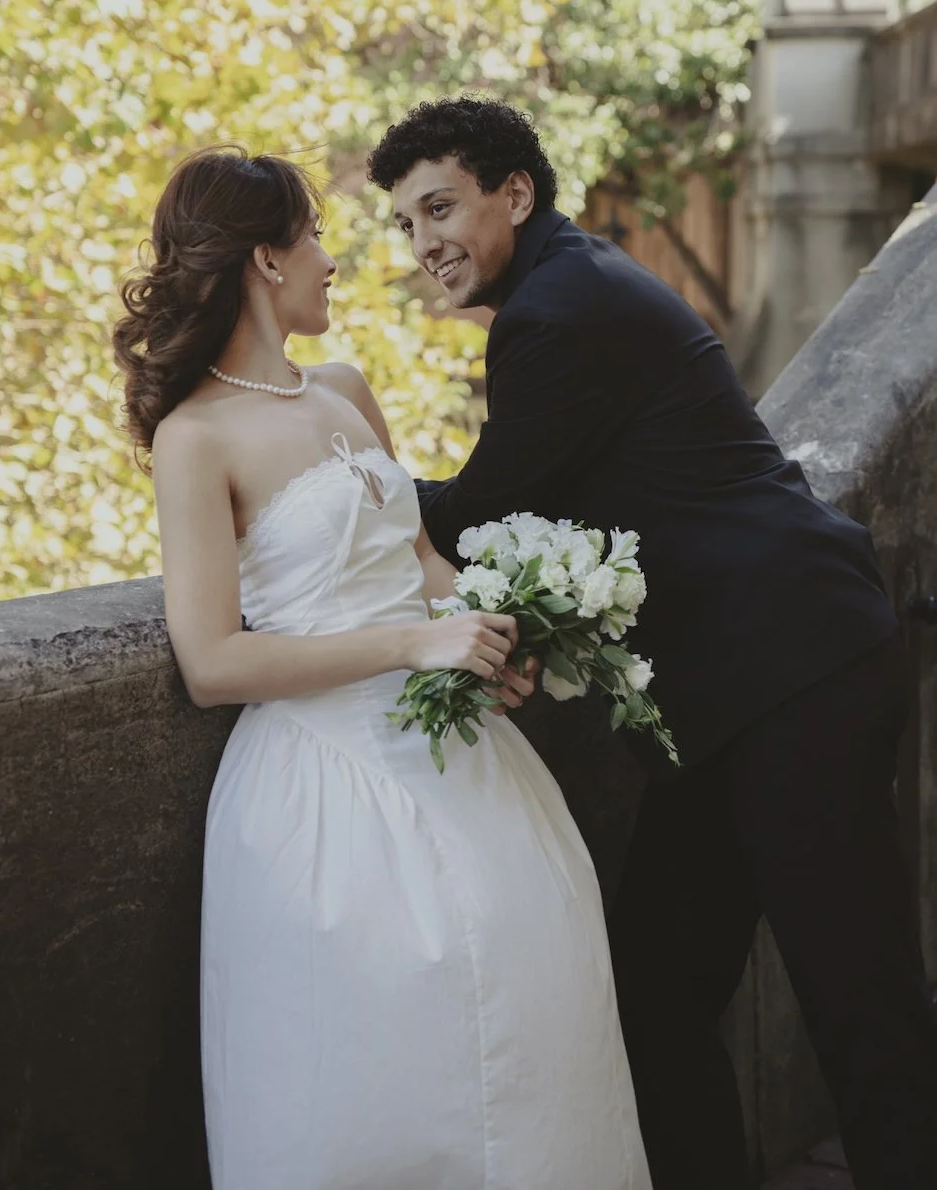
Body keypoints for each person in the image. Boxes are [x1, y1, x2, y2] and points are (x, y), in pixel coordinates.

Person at [367, 95, 937, 1190]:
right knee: (654, 989)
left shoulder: (556, 310)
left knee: (856, 1000)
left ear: (514, 192)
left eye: (438, 206)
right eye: (404, 223)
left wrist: (346, 484)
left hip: (792, 674)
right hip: (721, 698)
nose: (422, 241)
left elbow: (483, 510)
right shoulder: (567, 285)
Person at [112, 145, 652, 1190]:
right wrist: (413, 641)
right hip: (323, 787)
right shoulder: (195, 438)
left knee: (536, 1013)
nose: (333, 258)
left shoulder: (345, 388)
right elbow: (213, 659)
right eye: (314, 233)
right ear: (265, 260)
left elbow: (416, 561)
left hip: (462, 760)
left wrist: (494, 626)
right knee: (376, 1079)